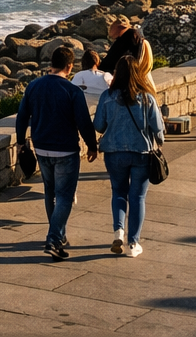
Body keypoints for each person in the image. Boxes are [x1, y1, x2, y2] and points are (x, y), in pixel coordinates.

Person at [15, 45, 98, 259]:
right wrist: (92, 145)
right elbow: (83, 122)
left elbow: (22, 116)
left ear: (51, 63)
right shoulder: (72, 91)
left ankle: (59, 235)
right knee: (65, 196)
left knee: (50, 192)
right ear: (69, 67)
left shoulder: (34, 86)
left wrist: (21, 142)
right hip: (65, 150)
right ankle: (53, 239)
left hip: (41, 148)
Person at [91, 36, 164, 258]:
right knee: (138, 197)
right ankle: (133, 244)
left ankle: (118, 233)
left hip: (114, 152)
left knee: (118, 193)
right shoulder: (147, 98)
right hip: (141, 151)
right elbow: (158, 129)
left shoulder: (107, 96)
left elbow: (99, 126)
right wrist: (159, 142)